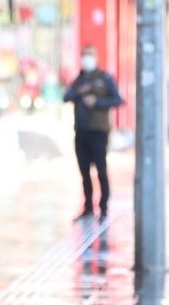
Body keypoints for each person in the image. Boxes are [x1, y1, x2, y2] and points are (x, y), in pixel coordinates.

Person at [63, 45, 123, 220]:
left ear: (95, 57)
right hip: (81, 132)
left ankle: (103, 208)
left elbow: (118, 99)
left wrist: (97, 102)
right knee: (84, 172)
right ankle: (88, 207)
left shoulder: (104, 78)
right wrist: (78, 92)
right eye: (84, 55)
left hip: (99, 131)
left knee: (101, 171)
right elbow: (66, 97)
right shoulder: (79, 80)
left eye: (89, 55)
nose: (86, 59)